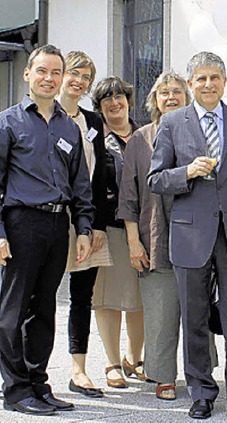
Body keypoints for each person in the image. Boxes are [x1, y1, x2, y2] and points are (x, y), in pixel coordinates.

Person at [148, 51, 227, 420]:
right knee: (195, 317)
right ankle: (201, 390)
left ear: (225, 82)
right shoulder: (172, 123)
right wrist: (186, 172)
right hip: (190, 234)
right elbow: (155, 179)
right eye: (200, 78)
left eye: (215, 77)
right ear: (190, 83)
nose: (208, 84)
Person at [0, 44, 93, 415]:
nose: (49, 78)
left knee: (45, 311)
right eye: (42, 71)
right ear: (28, 74)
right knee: (12, 311)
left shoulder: (69, 127)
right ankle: (16, 389)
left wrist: (84, 228)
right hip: (21, 222)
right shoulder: (8, 123)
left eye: (56, 72)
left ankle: (38, 384)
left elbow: (81, 185)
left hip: (58, 225)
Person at [118, 71, 191, 401]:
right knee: (161, 312)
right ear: (155, 100)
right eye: (165, 92)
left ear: (187, 98)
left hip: (196, 238)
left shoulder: (200, 135)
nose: (171, 97)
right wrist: (134, 241)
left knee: (196, 311)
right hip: (154, 237)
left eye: (177, 91)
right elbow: (128, 196)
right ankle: (163, 377)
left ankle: (199, 373)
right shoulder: (140, 139)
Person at [58, 51, 110, 398]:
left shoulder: (93, 121)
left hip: (85, 219)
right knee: (35, 297)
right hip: (47, 218)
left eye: (86, 76)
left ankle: (78, 370)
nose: (80, 81)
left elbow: (101, 173)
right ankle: (20, 373)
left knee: (82, 296)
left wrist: (99, 225)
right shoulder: (41, 115)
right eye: (74, 73)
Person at [91, 76, 145, 389]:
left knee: (139, 298)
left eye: (119, 96)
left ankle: (133, 359)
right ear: (99, 107)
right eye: (106, 99)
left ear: (128, 100)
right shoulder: (96, 138)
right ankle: (112, 362)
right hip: (109, 227)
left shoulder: (146, 134)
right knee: (108, 298)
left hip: (143, 227)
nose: (115, 103)